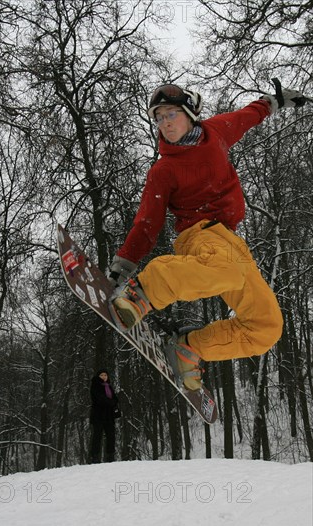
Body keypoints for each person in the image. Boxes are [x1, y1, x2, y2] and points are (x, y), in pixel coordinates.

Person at [109, 82, 304, 392]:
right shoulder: (164, 170)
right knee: (228, 270)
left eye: (171, 114)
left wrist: (273, 102)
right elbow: (147, 223)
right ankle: (145, 290)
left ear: (188, 113)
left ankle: (190, 348)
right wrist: (124, 264)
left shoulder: (216, 132)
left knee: (266, 326)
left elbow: (247, 116)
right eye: (159, 118)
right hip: (197, 234)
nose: (166, 123)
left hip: (231, 242)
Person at [89, 369, 120, 463]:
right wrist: (111, 402)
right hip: (98, 415)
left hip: (109, 415)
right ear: (98, 376)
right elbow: (100, 399)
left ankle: (110, 456)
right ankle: (95, 457)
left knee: (111, 436)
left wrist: (112, 402)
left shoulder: (108, 386)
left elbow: (115, 399)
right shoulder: (95, 385)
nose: (104, 377)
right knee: (97, 436)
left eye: (105, 375)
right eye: (102, 375)